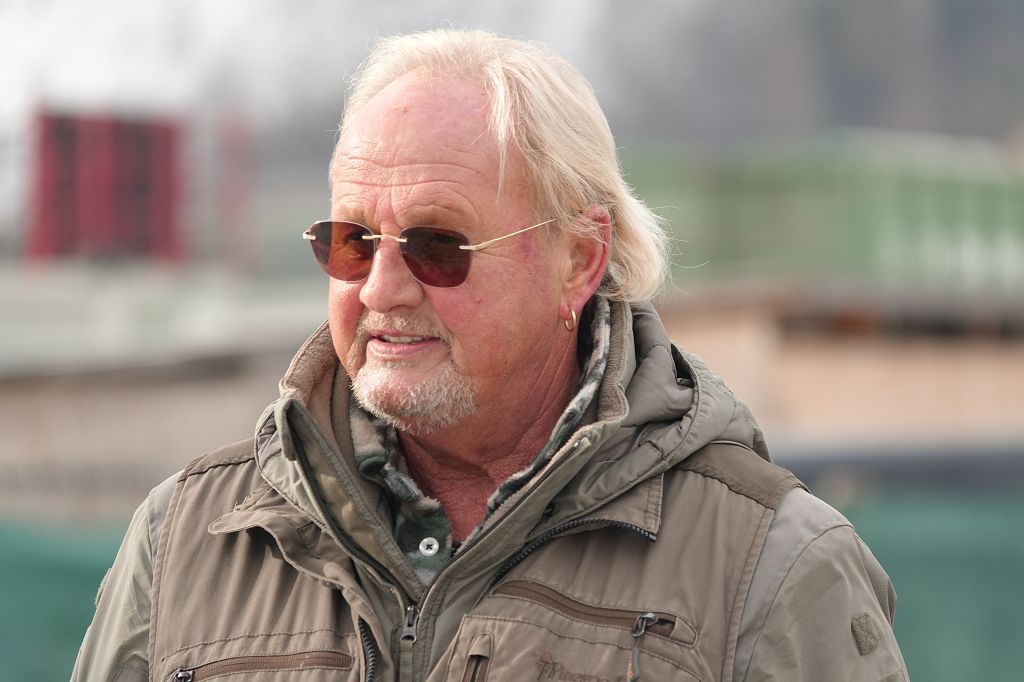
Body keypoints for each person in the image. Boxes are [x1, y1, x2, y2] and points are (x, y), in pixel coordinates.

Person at [73, 29, 906, 682]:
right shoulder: (181, 545)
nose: (382, 289)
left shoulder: (771, 566)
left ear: (579, 259)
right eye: (351, 241)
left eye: (438, 246)